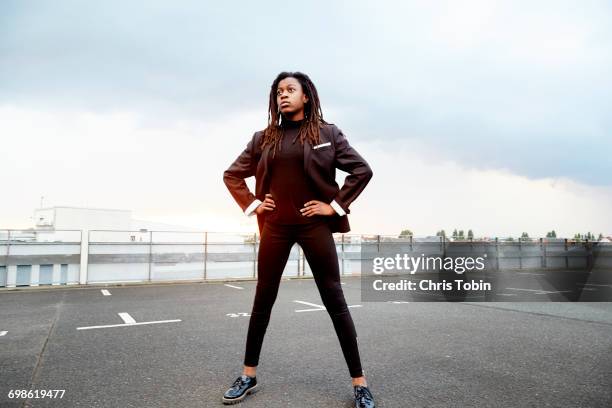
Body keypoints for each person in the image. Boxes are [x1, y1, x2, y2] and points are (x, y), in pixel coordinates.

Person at [222, 71, 375, 407]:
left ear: (306, 96)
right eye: (279, 91)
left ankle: (360, 383)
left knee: (335, 299)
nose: (283, 95)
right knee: (263, 299)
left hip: (313, 226)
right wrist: (254, 204)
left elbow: (361, 170)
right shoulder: (263, 138)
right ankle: (248, 375)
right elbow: (232, 174)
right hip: (275, 226)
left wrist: (332, 206)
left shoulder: (327, 133)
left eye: (291, 89)